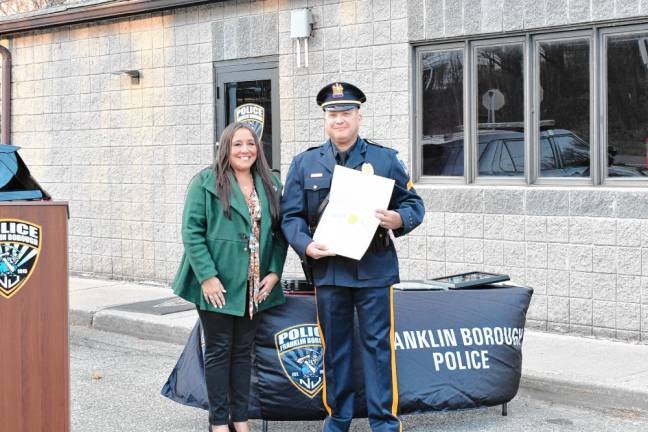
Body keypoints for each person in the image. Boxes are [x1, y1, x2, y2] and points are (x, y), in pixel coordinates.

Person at [281, 82, 425, 432]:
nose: (339, 119)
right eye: (333, 113)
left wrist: (398, 219)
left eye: (346, 112)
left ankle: (385, 423)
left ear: (359, 115)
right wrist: (305, 245)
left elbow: (413, 204)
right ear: (325, 119)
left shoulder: (384, 159)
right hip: (330, 271)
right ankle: (338, 419)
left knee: (379, 349)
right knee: (335, 350)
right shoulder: (304, 163)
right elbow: (291, 216)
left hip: (374, 269)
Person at [172, 122, 287, 432]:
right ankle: (219, 423)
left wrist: (275, 272)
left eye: (250, 144)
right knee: (220, 351)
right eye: (237, 144)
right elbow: (192, 232)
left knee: (243, 353)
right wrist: (207, 277)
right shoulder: (205, 182)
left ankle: (241, 419)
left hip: (255, 285)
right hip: (217, 284)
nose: (244, 150)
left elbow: (279, 233)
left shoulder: (271, 183)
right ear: (225, 147)